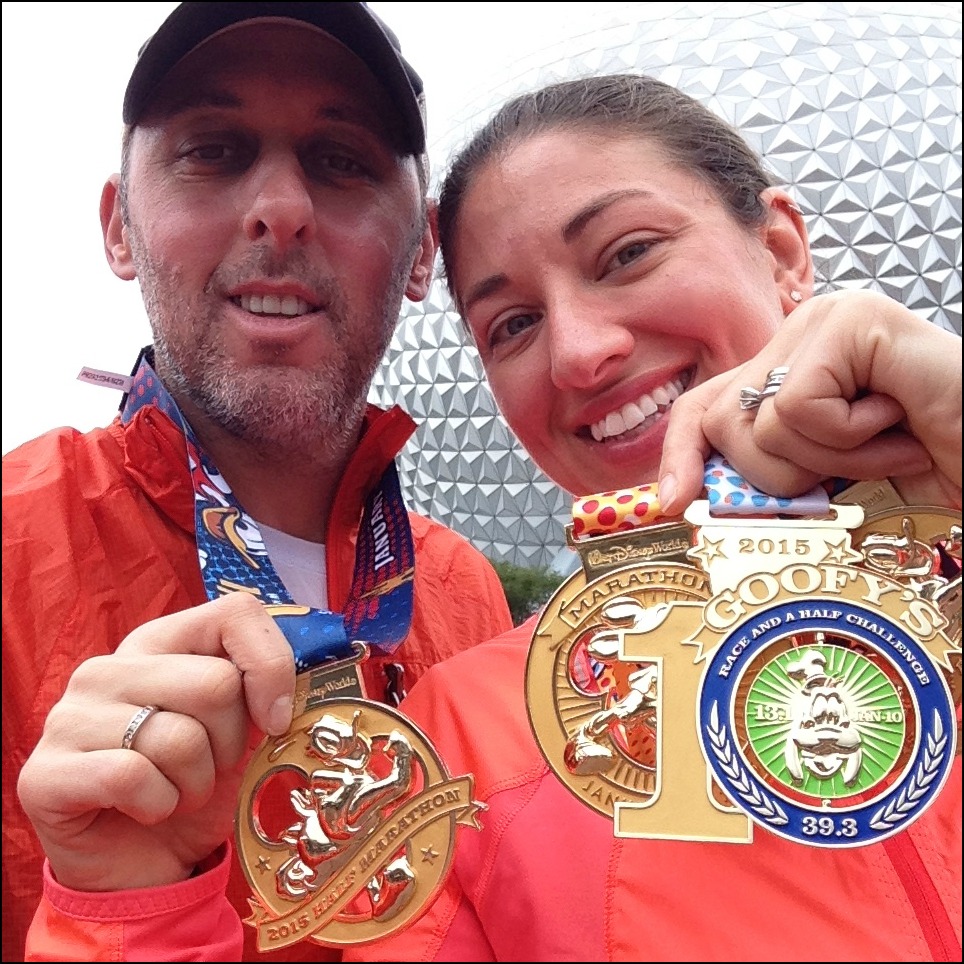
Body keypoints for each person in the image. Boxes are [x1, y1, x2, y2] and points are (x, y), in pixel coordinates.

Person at [14, 69, 962, 962]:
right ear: (119, 227)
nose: (582, 352)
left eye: (629, 252)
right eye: (513, 324)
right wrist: (132, 910)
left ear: (784, 251)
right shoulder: (479, 719)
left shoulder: (456, 586)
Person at [3, 3, 512, 962]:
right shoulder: (11, 548)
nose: (281, 206)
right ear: (119, 228)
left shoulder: (465, 590)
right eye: (213, 151)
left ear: (422, 252)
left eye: (341, 160)